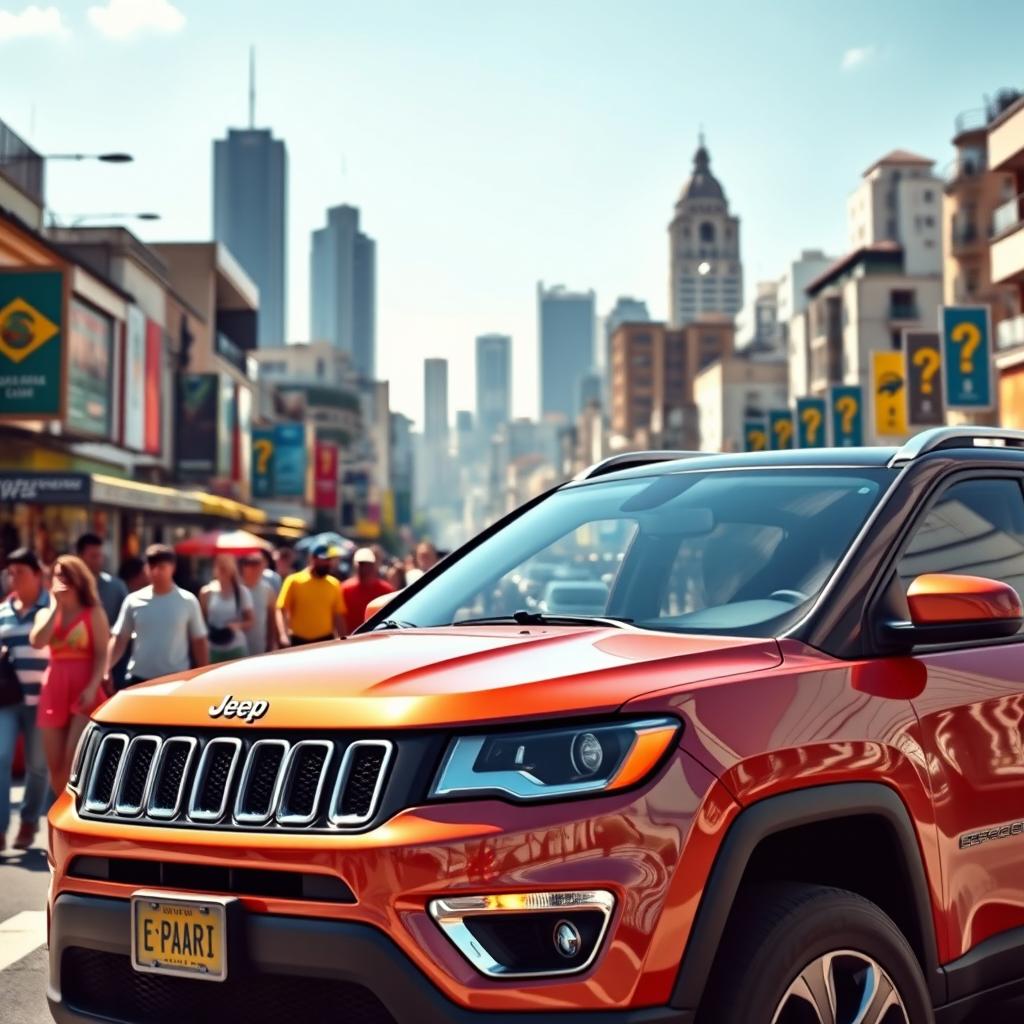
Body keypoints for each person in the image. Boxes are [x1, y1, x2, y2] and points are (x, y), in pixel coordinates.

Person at [30, 556, 109, 796]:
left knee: (73, 764)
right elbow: (37, 641)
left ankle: (76, 816)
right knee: (55, 769)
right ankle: (62, 820)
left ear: (78, 579)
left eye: (66, 575)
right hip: (54, 689)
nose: (62, 580)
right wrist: (56, 606)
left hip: (85, 688)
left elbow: (101, 654)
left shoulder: (93, 612)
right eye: (57, 575)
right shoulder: (45, 612)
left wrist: (93, 686)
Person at [0, 548, 51, 853]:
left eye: (20, 572)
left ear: (36, 575)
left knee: (37, 765)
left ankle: (29, 820)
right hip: (6, 699)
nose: (13, 577)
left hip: (42, 700)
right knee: (0, 758)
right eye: (10, 572)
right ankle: (0, 828)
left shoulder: (51, 606)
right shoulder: (3, 611)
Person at [106, 545, 209, 689]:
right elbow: (120, 639)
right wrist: (106, 669)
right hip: (139, 680)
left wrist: (204, 674)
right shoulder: (133, 600)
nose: (156, 571)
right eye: (151, 566)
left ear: (172, 567)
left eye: (161, 567)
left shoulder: (187, 601)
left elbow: (199, 641)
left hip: (176, 679)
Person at [276, 543, 347, 646]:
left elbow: (338, 615)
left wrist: (343, 639)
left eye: (329, 560)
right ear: (312, 558)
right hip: (298, 641)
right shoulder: (294, 581)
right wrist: (283, 634)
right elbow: (281, 609)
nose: (328, 563)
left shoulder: (334, 584)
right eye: (324, 559)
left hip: (325, 640)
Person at [200, 554, 254, 663]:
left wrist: (237, 625)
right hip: (213, 647)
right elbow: (201, 622)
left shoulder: (241, 592)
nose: (222, 568)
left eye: (225, 565)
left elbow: (251, 621)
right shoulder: (207, 592)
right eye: (219, 565)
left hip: (235, 646)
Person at [75, 533, 128, 630]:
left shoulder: (116, 587)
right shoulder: (70, 587)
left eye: (100, 556)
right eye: (93, 556)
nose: (98, 560)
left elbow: (126, 624)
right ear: (79, 557)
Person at [340, 548, 395, 634]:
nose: (364, 568)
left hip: (377, 638)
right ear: (355, 565)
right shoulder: (344, 589)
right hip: (351, 640)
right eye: (361, 564)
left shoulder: (386, 590)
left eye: (367, 564)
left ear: (374, 565)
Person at [239, 553, 277, 656]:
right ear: (243, 566)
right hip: (236, 651)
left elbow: (271, 621)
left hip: (259, 650)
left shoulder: (267, 590)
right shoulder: (235, 588)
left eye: (258, 564)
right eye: (250, 564)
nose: (254, 568)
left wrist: (270, 646)